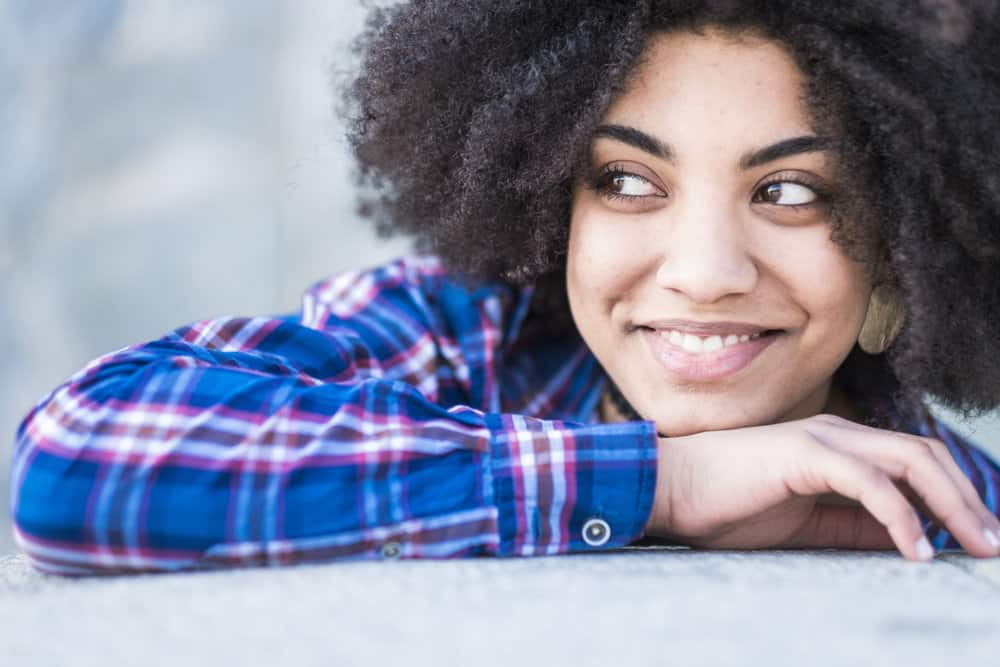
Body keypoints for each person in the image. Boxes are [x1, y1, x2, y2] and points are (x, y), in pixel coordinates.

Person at [10, 0, 1000, 575]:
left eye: (790, 191)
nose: (703, 271)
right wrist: (664, 482)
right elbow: (73, 461)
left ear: (904, 232)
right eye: (624, 180)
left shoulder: (964, 516)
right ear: (548, 198)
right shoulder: (456, 335)